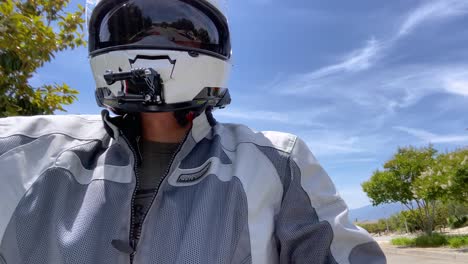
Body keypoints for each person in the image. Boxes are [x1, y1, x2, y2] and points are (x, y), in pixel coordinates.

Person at [0, 0, 386, 263]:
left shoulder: (278, 160)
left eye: (181, 31)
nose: (155, 41)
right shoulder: (20, 151)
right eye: (133, 28)